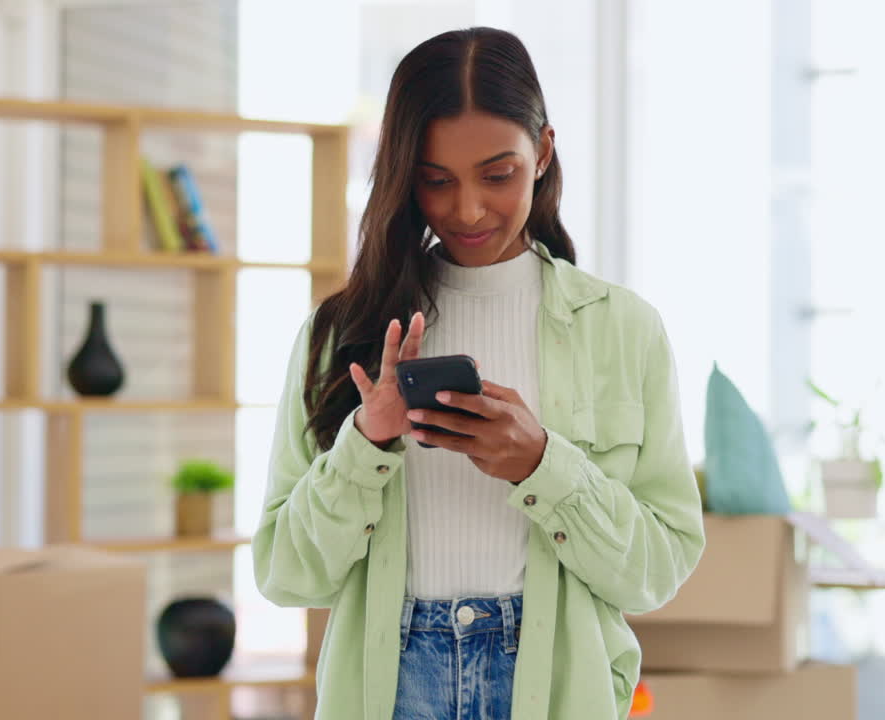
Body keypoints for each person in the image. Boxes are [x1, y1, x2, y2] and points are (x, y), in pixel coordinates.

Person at [253, 26, 704, 720]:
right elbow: (286, 575)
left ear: (543, 152)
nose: (466, 209)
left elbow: (658, 571)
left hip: (558, 689)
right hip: (391, 688)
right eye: (435, 181)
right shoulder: (342, 334)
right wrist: (365, 446)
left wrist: (543, 464)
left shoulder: (624, 329)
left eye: (498, 174)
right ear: (404, 176)